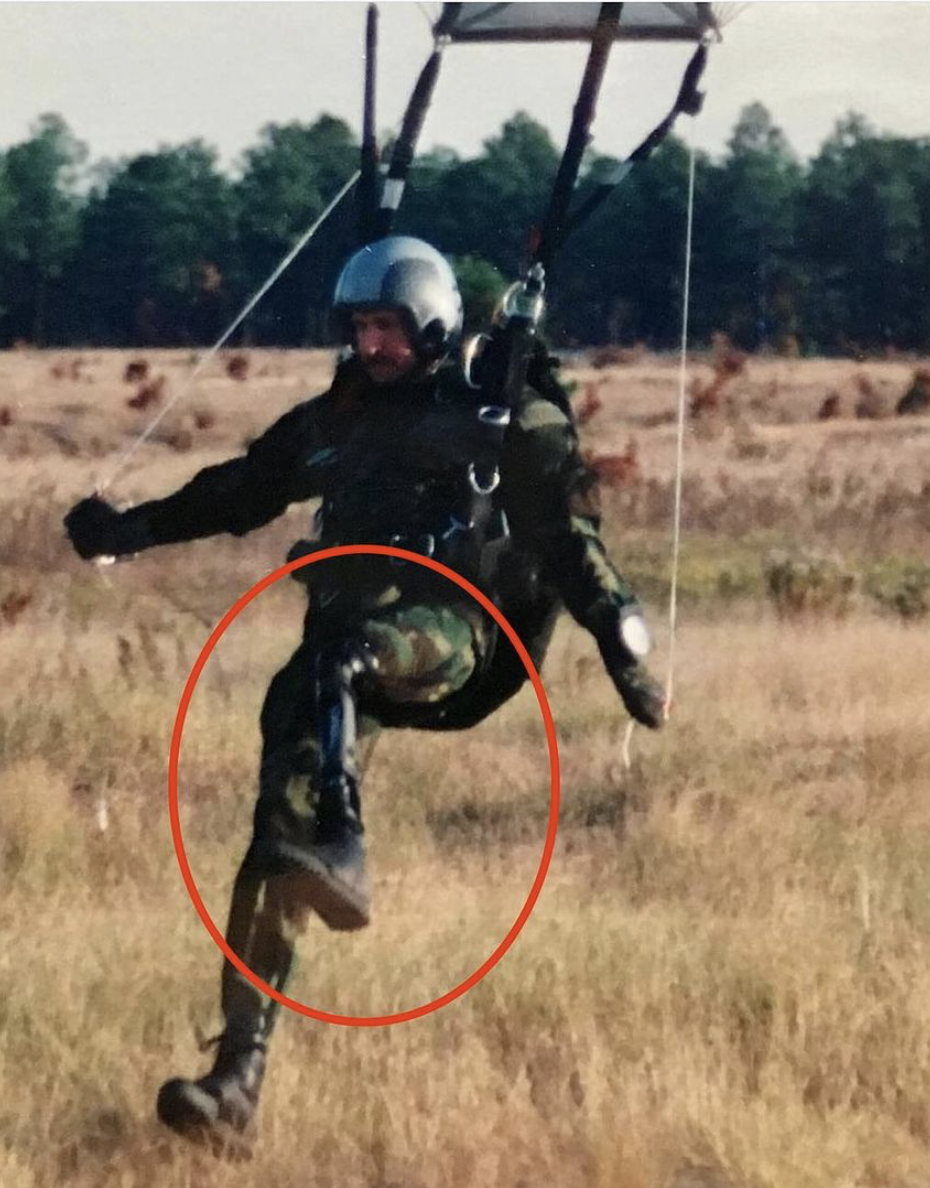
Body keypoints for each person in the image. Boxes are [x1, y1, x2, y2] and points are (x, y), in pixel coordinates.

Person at [63, 235, 666, 1151]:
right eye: (360, 328)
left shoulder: (491, 417)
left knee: (338, 661)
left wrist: (624, 648)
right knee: (277, 836)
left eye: (388, 327)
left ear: (431, 324)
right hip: (338, 662)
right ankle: (236, 1081)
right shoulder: (339, 419)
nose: (371, 344)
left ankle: (345, 847)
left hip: (456, 638)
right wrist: (128, 529)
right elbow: (241, 491)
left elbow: (566, 536)